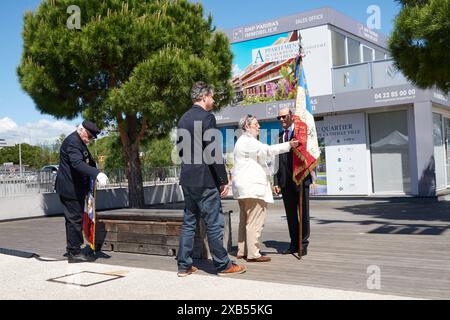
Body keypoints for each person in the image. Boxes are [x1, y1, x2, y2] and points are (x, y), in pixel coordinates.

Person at [176, 81, 246, 277]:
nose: (213, 100)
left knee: (189, 222)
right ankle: (223, 265)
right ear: (204, 96)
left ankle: (184, 266)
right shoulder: (207, 118)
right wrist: (223, 179)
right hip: (205, 180)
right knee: (214, 223)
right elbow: (213, 152)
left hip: (188, 179)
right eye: (212, 96)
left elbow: (181, 150)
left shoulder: (183, 119)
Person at [232, 115, 298, 262]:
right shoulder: (248, 141)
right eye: (256, 124)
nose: (259, 127)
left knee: (245, 221)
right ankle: (253, 253)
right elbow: (268, 150)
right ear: (247, 127)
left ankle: (242, 251)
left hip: (244, 189)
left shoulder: (242, 142)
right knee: (254, 221)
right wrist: (289, 145)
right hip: (253, 189)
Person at [55, 120, 109, 263]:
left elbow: (88, 161)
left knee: (75, 219)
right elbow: (77, 163)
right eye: (90, 137)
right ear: (83, 131)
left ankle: (74, 248)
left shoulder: (80, 142)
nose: (90, 140)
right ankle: (74, 252)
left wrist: (96, 171)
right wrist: (96, 174)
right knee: (74, 220)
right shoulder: (73, 142)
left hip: (76, 188)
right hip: (69, 188)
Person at [273, 108, 312, 255]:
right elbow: (276, 161)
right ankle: (293, 243)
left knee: (303, 213)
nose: (281, 120)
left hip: (300, 179)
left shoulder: (301, 134)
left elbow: (309, 153)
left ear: (291, 116)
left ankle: (303, 243)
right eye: (279, 118)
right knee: (290, 214)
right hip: (285, 182)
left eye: (284, 117)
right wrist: (276, 181)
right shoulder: (279, 137)